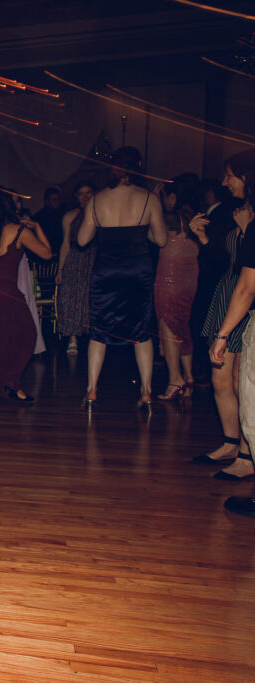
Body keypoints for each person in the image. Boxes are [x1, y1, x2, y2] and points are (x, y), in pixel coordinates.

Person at [78, 147, 169, 409]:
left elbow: (83, 240)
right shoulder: (149, 198)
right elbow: (161, 239)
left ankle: (92, 389)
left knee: (99, 330)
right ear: (138, 167)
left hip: (106, 271)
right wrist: (140, 234)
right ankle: (146, 391)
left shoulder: (97, 199)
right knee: (141, 332)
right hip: (137, 271)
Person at [0, 190, 52, 400]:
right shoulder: (19, 230)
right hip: (4, 290)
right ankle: (12, 383)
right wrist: (38, 228)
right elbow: (47, 253)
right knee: (27, 335)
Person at [208, 150, 255, 490]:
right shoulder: (231, 213)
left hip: (243, 300)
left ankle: (245, 455)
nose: (225, 182)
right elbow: (220, 264)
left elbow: (248, 279)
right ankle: (233, 445)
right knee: (227, 380)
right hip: (231, 294)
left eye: (229, 175)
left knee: (243, 383)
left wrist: (223, 333)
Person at [154, 181, 200, 399]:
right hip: (190, 276)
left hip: (170, 275)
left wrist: (152, 206)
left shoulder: (171, 218)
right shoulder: (194, 217)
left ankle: (175, 379)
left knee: (168, 323)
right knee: (181, 323)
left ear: (172, 197)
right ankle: (188, 376)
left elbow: (156, 238)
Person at [56, 181, 96, 355]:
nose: (85, 197)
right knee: (70, 297)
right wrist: (60, 270)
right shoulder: (69, 216)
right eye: (81, 193)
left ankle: (95, 340)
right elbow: (64, 244)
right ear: (76, 196)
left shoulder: (100, 214)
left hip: (95, 258)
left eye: (88, 192)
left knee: (91, 299)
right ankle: (72, 339)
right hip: (74, 258)